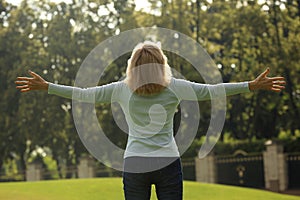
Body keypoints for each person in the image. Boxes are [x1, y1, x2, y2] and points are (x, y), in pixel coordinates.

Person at [15, 41, 285, 200]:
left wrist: (48, 86)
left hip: (135, 164)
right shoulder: (175, 87)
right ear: (162, 64)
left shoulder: (121, 88)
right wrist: (251, 85)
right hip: (168, 162)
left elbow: (84, 95)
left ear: (132, 65)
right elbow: (213, 91)